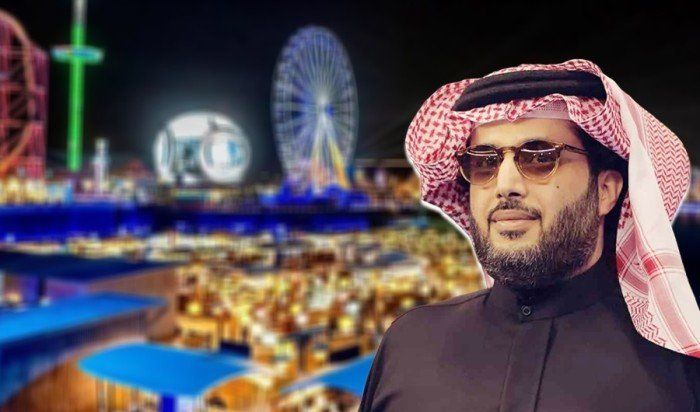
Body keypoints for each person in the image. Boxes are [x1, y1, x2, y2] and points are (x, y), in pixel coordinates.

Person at [359, 60, 700, 411]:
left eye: (539, 157)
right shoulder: (408, 344)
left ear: (605, 191)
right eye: (484, 162)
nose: (505, 184)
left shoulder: (679, 372)